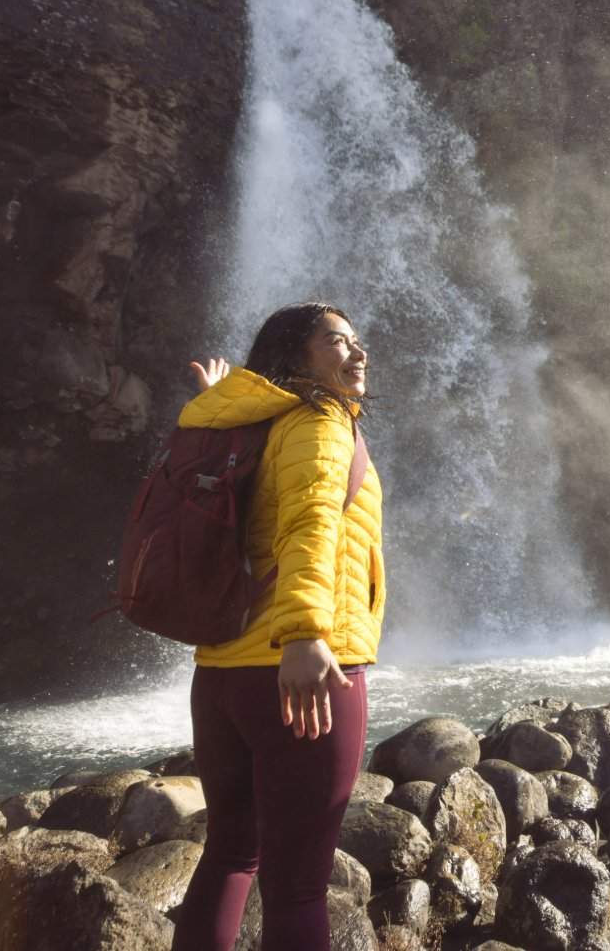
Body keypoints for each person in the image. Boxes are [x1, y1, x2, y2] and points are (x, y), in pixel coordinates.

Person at [172, 303, 385, 951]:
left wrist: (219, 399)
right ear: (296, 359)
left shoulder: (247, 424)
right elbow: (310, 527)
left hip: (222, 676)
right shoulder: (320, 422)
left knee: (231, 854)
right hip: (301, 672)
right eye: (337, 342)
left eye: (357, 341)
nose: (358, 353)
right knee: (297, 888)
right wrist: (303, 635)